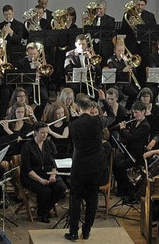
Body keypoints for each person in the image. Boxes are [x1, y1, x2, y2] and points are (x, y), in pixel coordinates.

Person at [65, 96, 115, 241]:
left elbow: (71, 144)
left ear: (78, 108)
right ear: (92, 108)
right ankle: (86, 231)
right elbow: (112, 116)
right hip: (96, 166)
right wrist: (104, 100)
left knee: (75, 199)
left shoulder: (73, 125)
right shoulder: (98, 121)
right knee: (92, 198)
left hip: (79, 166)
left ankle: (73, 231)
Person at [20, 122, 67, 223]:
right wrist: (40, 180)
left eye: (46, 132)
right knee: (46, 191)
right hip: (31, 176)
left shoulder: (49, 144)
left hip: (48, 173)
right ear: (35, 132)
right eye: (42, 133)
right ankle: (44, 213)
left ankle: (43, 210)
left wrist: (53, 175)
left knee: (61, 187)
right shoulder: (27, 146)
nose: (45, 135)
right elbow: (27, 169)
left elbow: (54, 164)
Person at [114, 101, 150, 199]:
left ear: (143, 112)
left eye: (136, 112)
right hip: (129, 152)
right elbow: (127, 138)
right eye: (133, 113)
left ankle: (129, 190)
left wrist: (122, 129)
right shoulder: (135, 122)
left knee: (120, 166)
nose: (134, 115)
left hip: (137, 155)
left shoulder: (145, 126)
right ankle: (121, 188)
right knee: (114, 162)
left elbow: (132, 138)